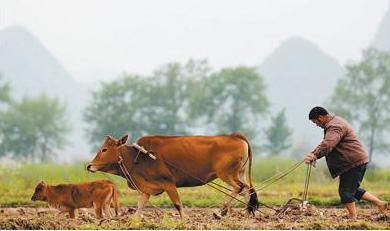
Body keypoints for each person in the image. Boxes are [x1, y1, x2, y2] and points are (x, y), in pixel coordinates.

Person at [304, 106, 388, 219]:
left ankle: (352, 217)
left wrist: (314, 155)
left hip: (353, 162)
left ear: (321, 117)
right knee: (353, 189)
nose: (316, 125)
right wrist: (314, 154)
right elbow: (326, 143)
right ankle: (380, 203)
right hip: (354, 161)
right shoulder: (334, 123)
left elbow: (328, 144)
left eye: (315, 122)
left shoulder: (335, 126)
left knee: (345, 191)